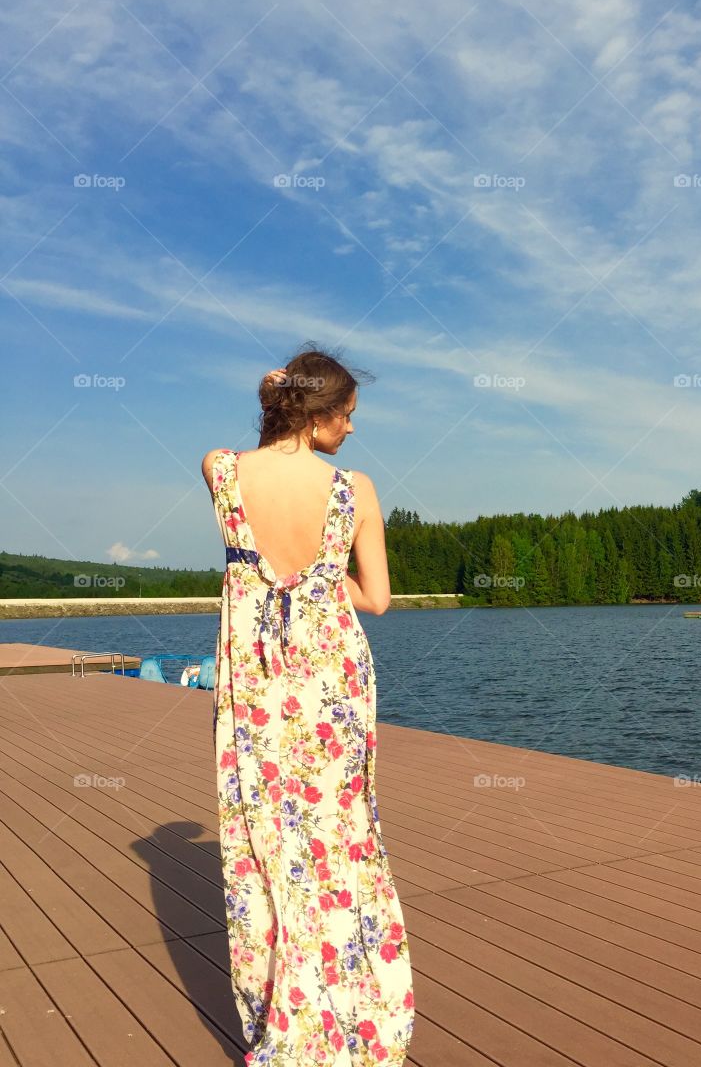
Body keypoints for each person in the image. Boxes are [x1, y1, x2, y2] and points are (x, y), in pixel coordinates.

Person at [200, 347, 415, 1066]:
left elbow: (266, 428)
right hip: (332, 688)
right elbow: (377, 599)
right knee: (339, 837)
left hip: (255, 687)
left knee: (268, 847)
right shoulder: (354, 489)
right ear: (318, 414)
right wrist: (321, 577)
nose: (351, 430)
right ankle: (355, 1016)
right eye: (346, 416)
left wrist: (277, 394)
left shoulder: (221, 470)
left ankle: (285, 1018)